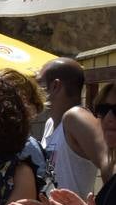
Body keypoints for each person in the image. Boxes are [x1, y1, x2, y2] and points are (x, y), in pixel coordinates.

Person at [39, 57, 111, 195]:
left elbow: (108, 162)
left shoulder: (75, 117)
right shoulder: (50, 123)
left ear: (55, 86)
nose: (35, 90)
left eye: (39, 83)